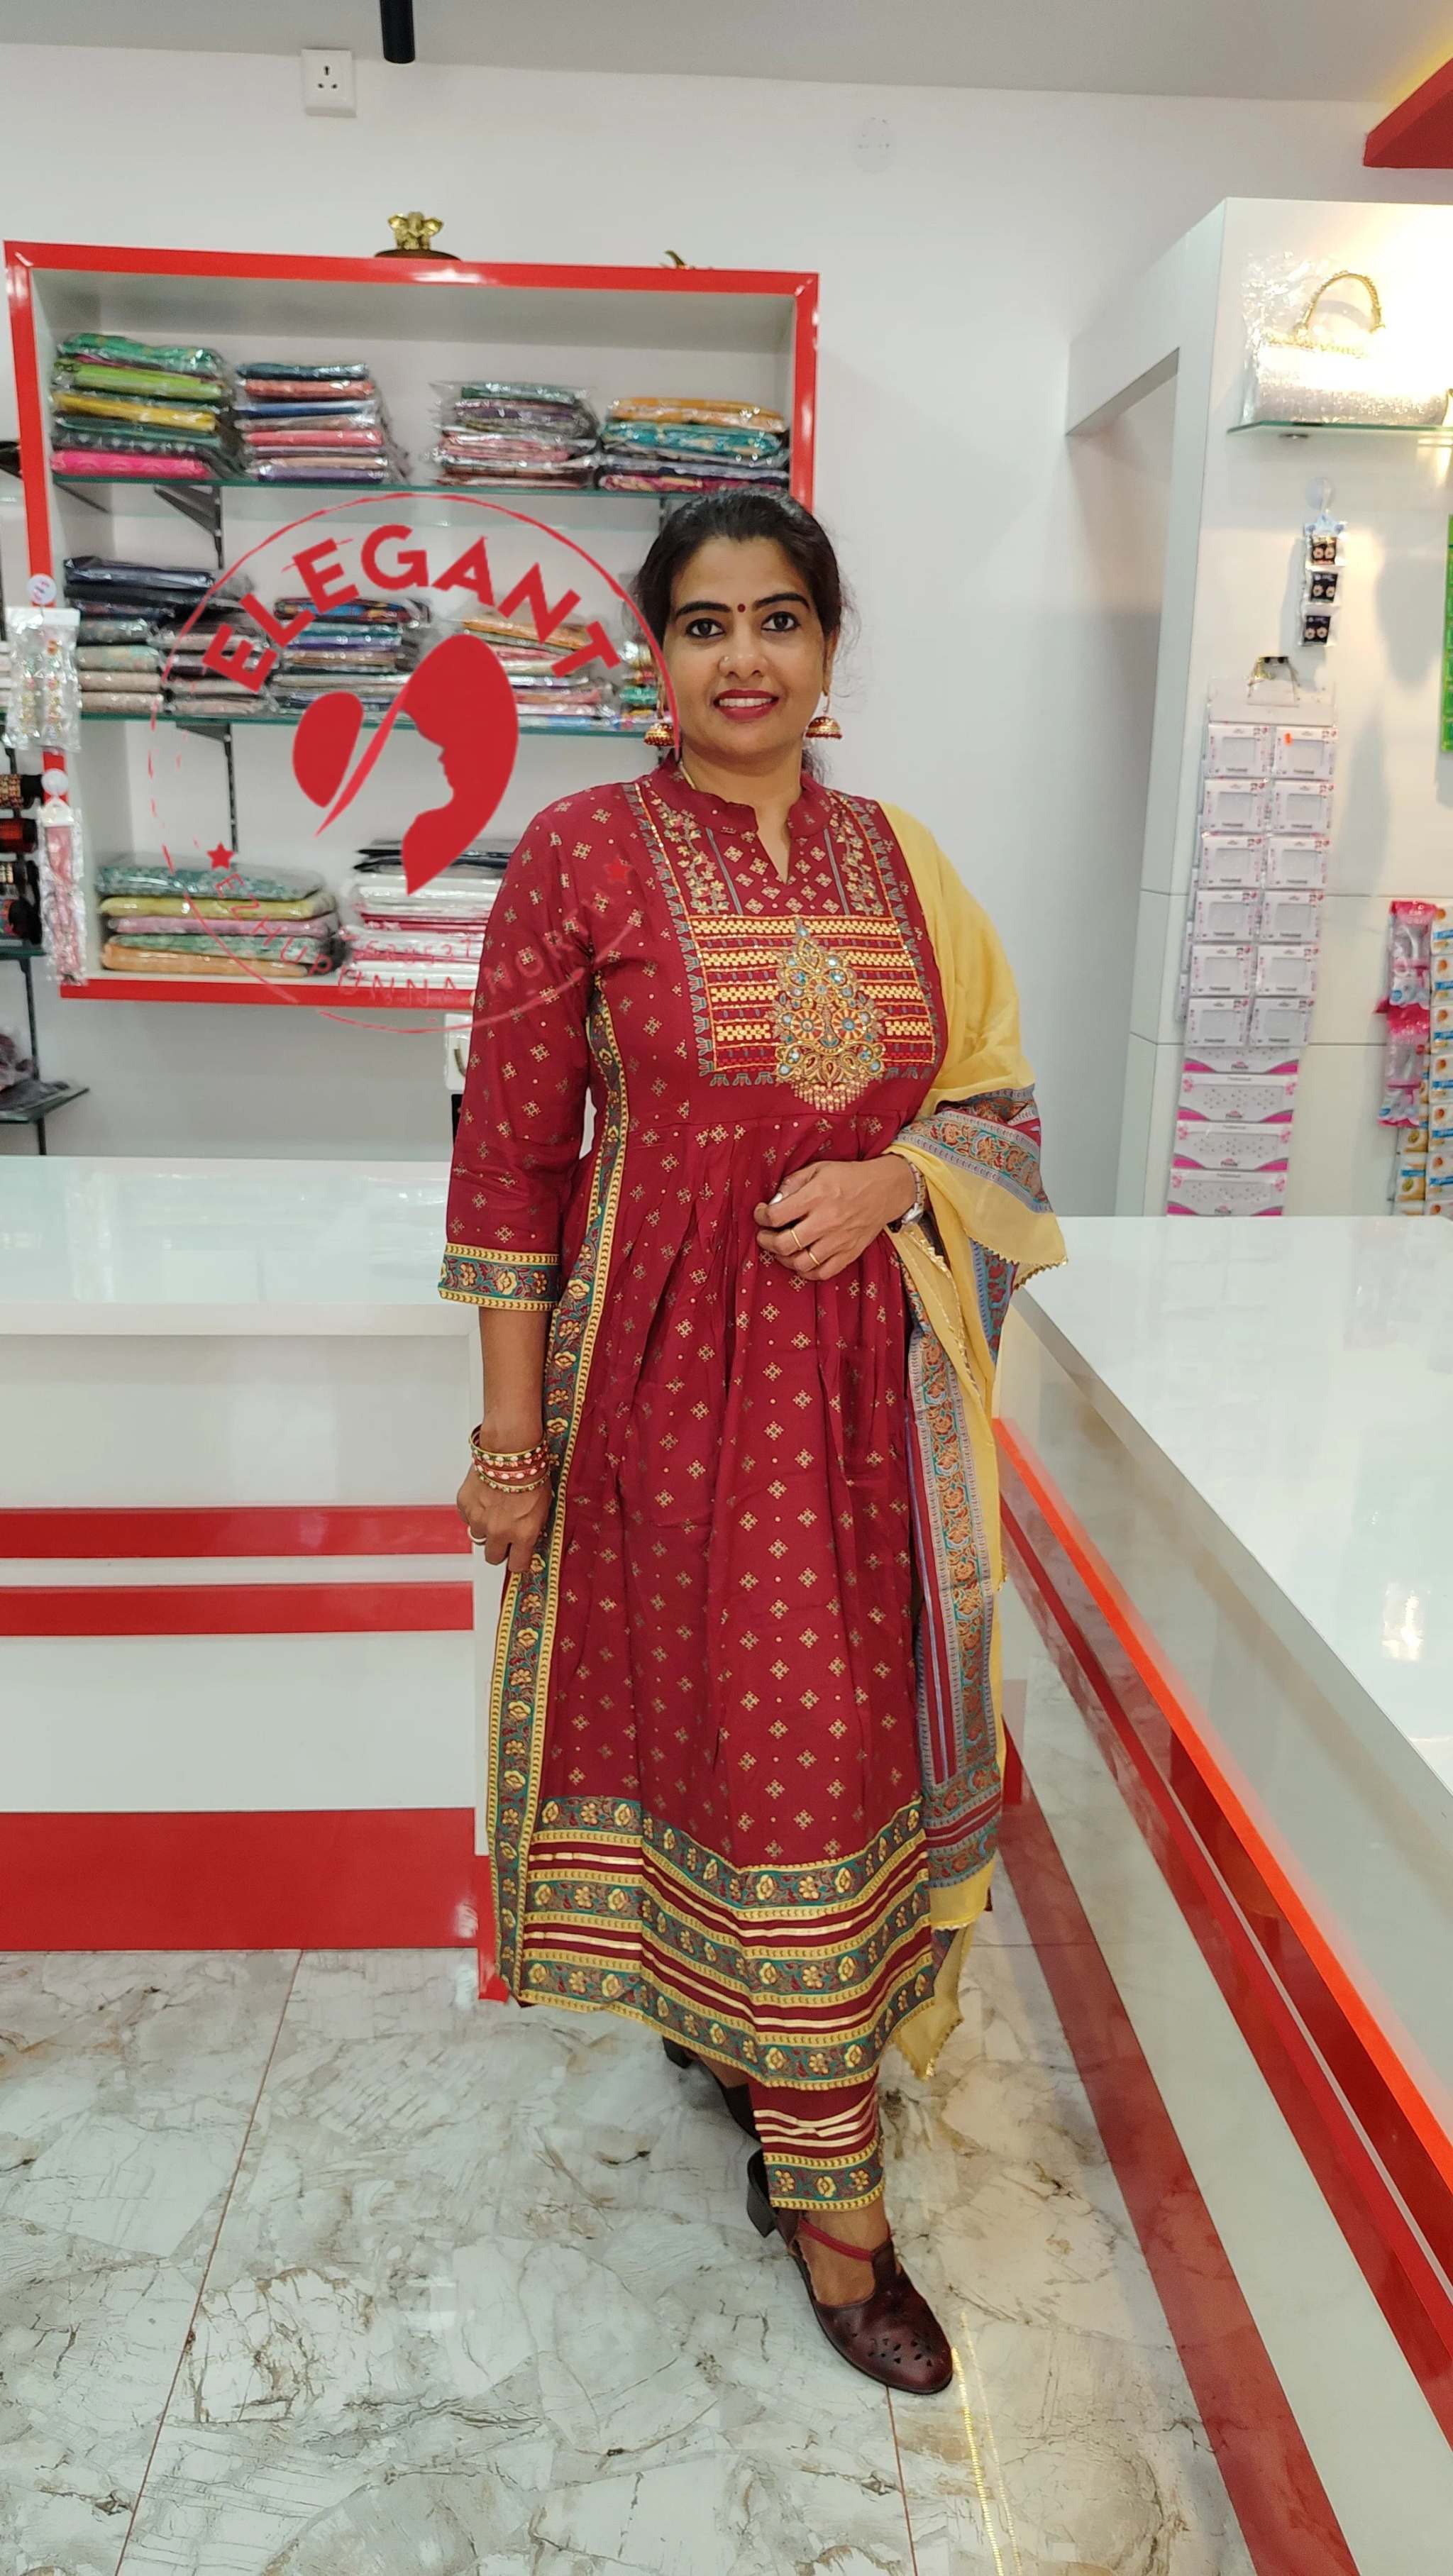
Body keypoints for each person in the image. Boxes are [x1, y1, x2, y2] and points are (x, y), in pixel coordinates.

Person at [441, 491, 1063, 2393]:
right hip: (668, 1410)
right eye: (703, 623)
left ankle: (762, 2059)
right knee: (752, 1761)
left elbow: (999, 1108)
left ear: (828, 647)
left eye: (778, 619)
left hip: (879, 1405)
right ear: (653, 654)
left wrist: (896, 1178)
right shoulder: (579, 855)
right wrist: (511, 1445)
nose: (743, 657)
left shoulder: (903, 861)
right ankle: (836, 2211)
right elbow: (510, 1168)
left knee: (848, 1763)